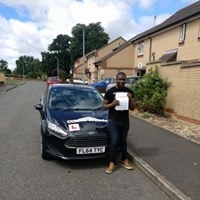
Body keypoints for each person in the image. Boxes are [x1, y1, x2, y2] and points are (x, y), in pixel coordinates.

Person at [102, 72, 135, 174]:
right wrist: (112, 104)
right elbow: (103, 107)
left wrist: (129, 100)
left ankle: (124, 160)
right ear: (116, 79)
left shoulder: (129, 92)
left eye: (123, 79)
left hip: (124, 121)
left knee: (123, 141)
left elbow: (133, 108)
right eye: (119, 79)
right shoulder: (110, 92)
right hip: (113, 121)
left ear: (126, 80)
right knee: (114, 141)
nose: (121, 81)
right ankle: (112, 162)